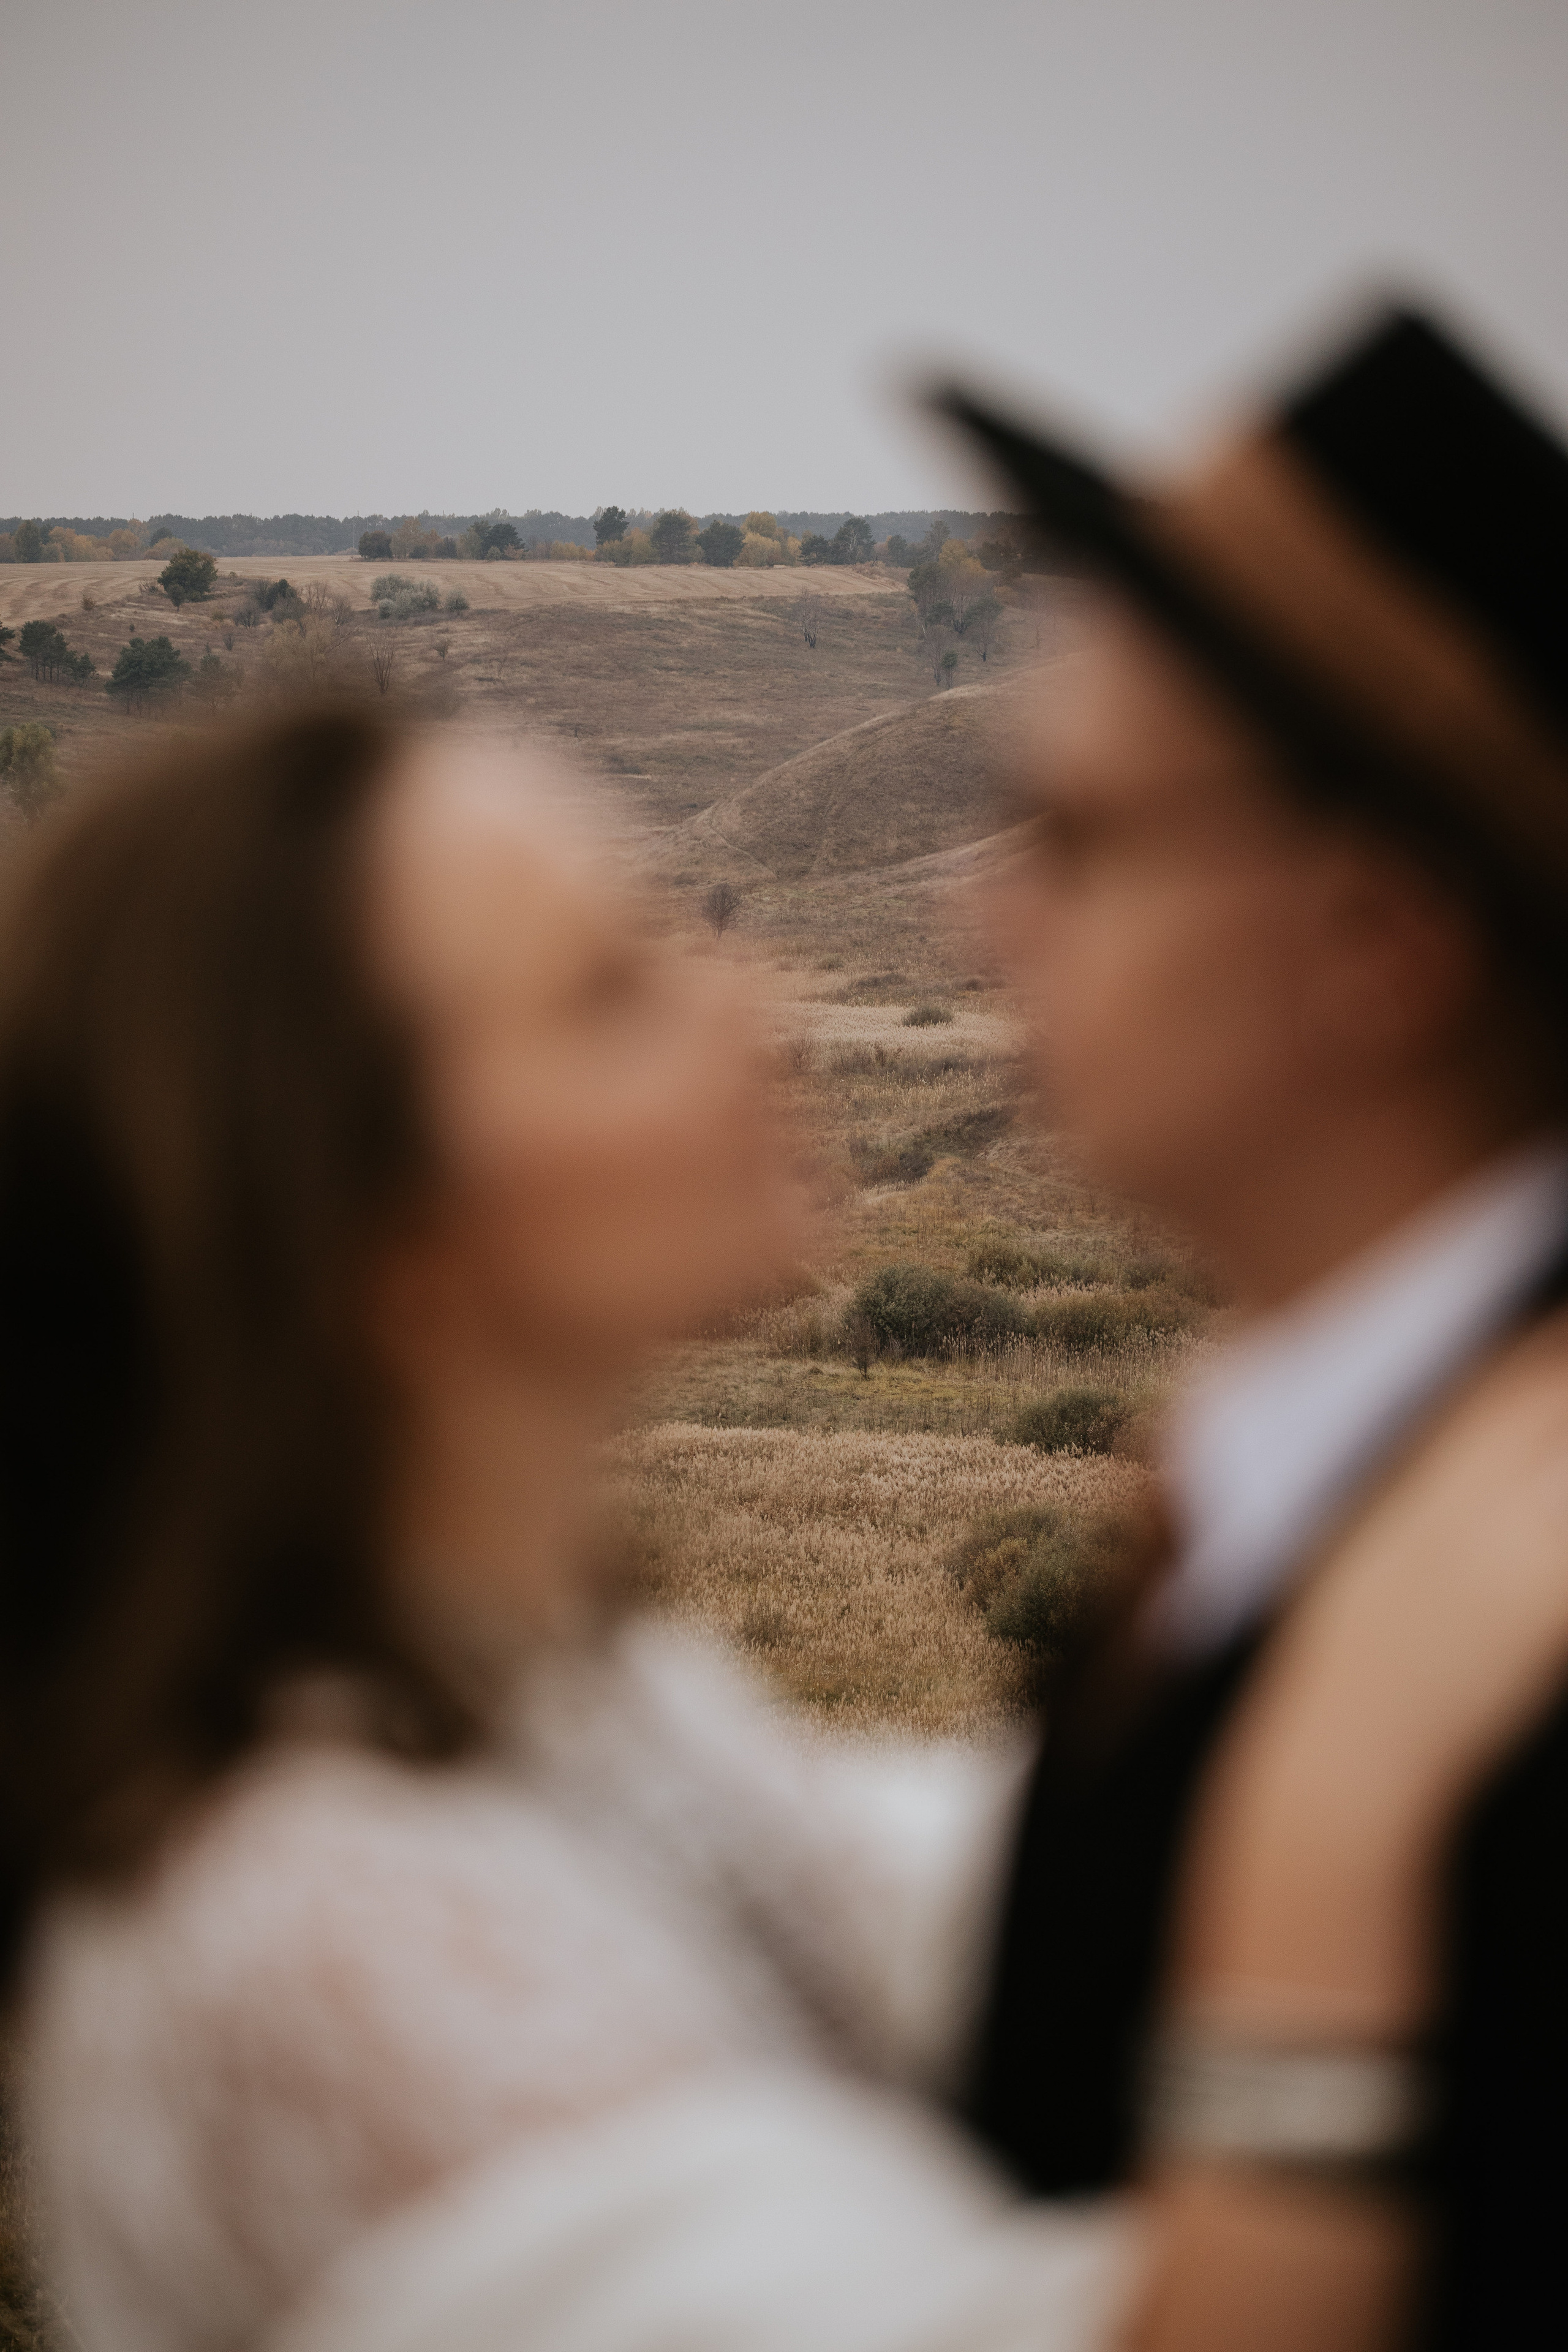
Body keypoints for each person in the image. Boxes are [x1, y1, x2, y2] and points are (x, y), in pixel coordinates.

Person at [1, 710, 1135, 2352]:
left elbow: (979, 1894)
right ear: (382, 1243)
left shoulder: (563, 1691)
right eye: (612, 992)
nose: (746, 1011)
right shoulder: (319, 1940)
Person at [936, 307, 1568, 2348]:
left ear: (1383, 938)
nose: (985, 914)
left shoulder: (1527, 1611)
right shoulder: (1307, 1445)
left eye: (1083, 838)